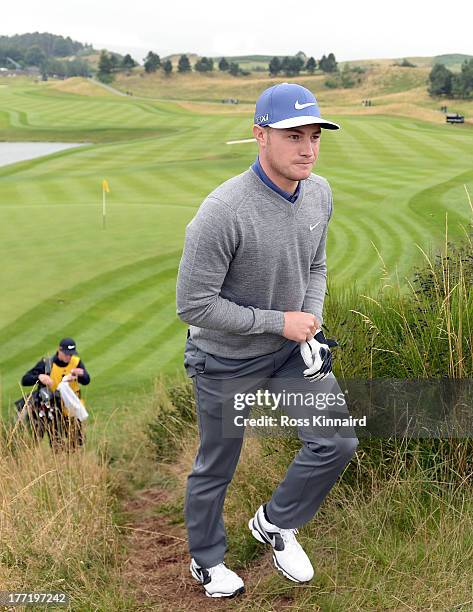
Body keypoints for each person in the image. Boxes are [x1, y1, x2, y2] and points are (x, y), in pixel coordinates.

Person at [176, 83, 359, 598]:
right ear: (260, 136)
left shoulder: (319, 192)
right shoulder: (223, 211)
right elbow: (194, 306)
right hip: (223, 359)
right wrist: (279, 321)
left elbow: (316, 266)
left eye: (315, 136)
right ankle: (207, 561)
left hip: (288, 353)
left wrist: (311, 321)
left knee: (337, 440)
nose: (308, 149)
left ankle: (275, 522)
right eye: (293, 136)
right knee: (218, 464)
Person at [20, 337, 90, 450]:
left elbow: (86, 380)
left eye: (71, 354)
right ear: (59, 350)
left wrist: (81, 374)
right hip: (53, 411)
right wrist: (39, 377)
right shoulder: (47, 364)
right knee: (56, 443)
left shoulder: (76, 362)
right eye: (66, 354)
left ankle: (71, 461)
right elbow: (25, 380)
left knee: (78, 442)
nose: (69, 357)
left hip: (71, 410)